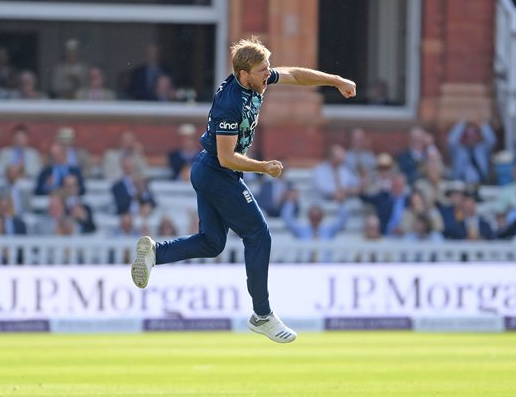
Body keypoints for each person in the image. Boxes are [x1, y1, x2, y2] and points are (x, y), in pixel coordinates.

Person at [130, 36, 356, 343]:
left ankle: (156, 253)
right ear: (243, 73)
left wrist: (335, 80)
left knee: (212, 243)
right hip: (216, 172)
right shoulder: (230, 103)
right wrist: (264, 167)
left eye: (268, 68)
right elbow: (227, 157)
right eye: (262, 70)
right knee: (258, 234)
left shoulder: (256, 81)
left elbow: (295, 75)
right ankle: (262, 315)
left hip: (213, 171)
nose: (269, 74)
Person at [448, 118, 496, 185]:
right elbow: (451, 141)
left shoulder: (482, 150)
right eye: (468, 135)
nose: (470, 138)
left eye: (473, 134)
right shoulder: (459, 150)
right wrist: (462, 124)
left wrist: (482, 125)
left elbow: (491, 141)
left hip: (480, 184)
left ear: (477, 135)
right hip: (461, 185)